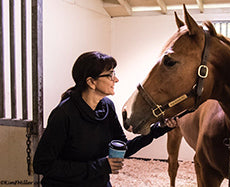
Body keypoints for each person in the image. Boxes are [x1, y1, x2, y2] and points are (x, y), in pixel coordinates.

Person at [33, 51, 178, 187]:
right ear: (91, 82)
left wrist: (158, 130)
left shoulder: (107, 106)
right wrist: (99, 166)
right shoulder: (64, 114)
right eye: (110, 75)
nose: (116, 79)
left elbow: (122, 149)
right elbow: (42, 164)